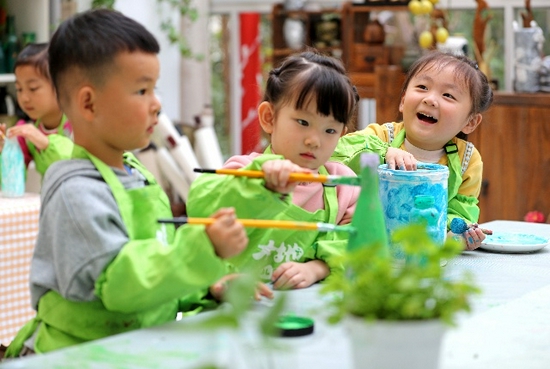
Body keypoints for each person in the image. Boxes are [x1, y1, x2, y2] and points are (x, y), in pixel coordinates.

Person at [2, 9, 248, 358]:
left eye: (155, 88)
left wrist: (206, 285)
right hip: (78, 353)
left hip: (132, 344)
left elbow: (156, 260)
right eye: (142, 90)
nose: (157, 104)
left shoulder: (136, 174)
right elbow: (123, 283)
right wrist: (202, 250)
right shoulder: (75, 192)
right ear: (88, 102)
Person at [187, 50, 362, 293]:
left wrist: (317, 268)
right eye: (303, 122)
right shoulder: (242, 172)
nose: (315, 141)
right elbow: (200, 207)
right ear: (269, 117)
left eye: (330, 130)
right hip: (233, 308)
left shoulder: (344, 186)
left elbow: (355, 245)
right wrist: (260, 186)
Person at [331, 50, 494, 251]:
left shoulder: (467, 160)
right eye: (422, 87)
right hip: (367, 244)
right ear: (403, 100)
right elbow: (337, 151)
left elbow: (459, 210)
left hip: (420, 251)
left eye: (448, 95)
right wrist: (384, 152)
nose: (430, 99)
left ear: (470, 122)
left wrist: (461, 231)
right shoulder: (383, 136)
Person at [0, 42, 73, 179]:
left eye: (33, 88)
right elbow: (14, 180)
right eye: (19, 89)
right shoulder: (26, 132)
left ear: (61, 85)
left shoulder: (80, 123)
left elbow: (78, 163)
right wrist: (5, 153)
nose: (24, 98)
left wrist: (46, 143)